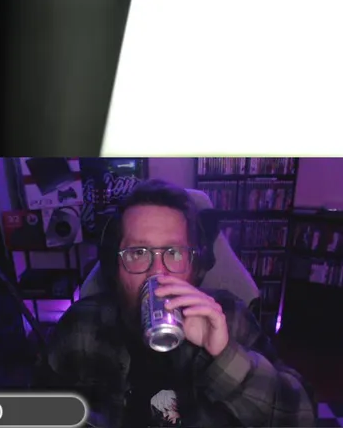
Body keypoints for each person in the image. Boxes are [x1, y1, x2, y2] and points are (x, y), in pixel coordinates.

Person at [37, 180, 315, 427]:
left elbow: (301, 418)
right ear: (114, 266)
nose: (158, 273)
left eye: (174, 252)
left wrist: (224, 355)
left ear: (196, 266)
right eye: (137, 253)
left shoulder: (229, 317)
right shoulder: (80, 326)